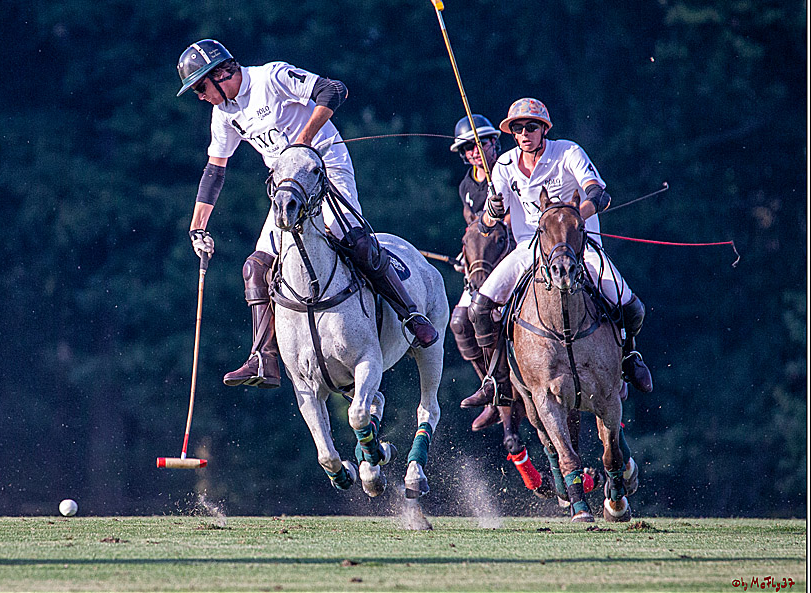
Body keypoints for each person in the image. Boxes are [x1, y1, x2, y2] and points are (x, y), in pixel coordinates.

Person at [178, 39, 439, 389]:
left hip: (325, 171)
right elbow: (215, 171)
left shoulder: (271, 77)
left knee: (352, 239)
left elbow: (333, 90)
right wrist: (198, 227)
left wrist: (303, 140)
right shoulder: (223, 114)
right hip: (286, 189)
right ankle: (263, 358)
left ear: (222, 73)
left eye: (200, 87)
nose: (199, 96)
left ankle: (410, 315)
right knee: (255, 268)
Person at [461, 97, 653, 409]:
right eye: (518, 128)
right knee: (479, 309)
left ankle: (629, 357)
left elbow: (598, 194)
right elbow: (487, 220)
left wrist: (577, 217)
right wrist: (492, 211)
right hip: (530, 249)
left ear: (544, 129)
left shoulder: (567, 152)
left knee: (631, 306)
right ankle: (496, 380)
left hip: (579, 247)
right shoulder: (505, 165)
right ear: (512, 133)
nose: (525, 133)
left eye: (531, 127)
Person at [445, 114, 509, 431]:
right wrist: (468, 255)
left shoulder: (508, 170)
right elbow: (471, 225)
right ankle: (492, 388)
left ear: (494, 142)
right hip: (483, 266)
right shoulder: (466, 186)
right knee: (459, 321)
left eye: (480, 143)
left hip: (512, 254)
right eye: (468, 147)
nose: (475, 151)